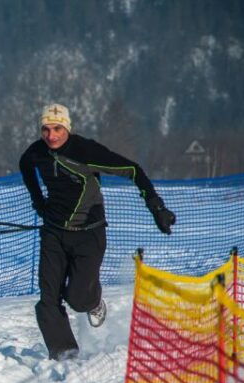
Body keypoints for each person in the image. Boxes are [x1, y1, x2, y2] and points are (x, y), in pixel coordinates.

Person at [19, 103, 175, 361]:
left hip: (89, 234)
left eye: (57, 128)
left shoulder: (85, 150)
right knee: (48, 298)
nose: (51, 135)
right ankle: (65, 354)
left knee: (78, 298)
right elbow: (25, 166)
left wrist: (157, 207)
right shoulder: (36, 152)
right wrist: (39, 202)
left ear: (67, 127)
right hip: (54, 233)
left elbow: (134, 170)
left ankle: (93, 303)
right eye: (45, 129)